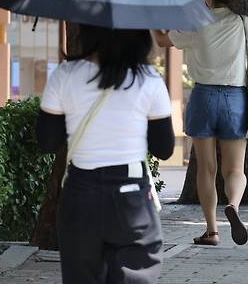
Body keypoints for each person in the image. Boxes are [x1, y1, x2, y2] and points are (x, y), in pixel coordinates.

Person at [36, 25, 175, 284]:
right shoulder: (149, 80)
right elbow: (164, 149)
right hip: (131, 196)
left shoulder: (64, 76)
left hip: (80, 194)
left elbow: (46, 142)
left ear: (88, 32)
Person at [153, 0, 248, 247]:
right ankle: (232, 204)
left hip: (203, 96)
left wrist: (154, 17)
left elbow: (163, 41)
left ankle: (212, 230)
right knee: (234, 169)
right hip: (235, 97)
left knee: (206, 169)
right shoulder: (245, 24)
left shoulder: (196, 22)